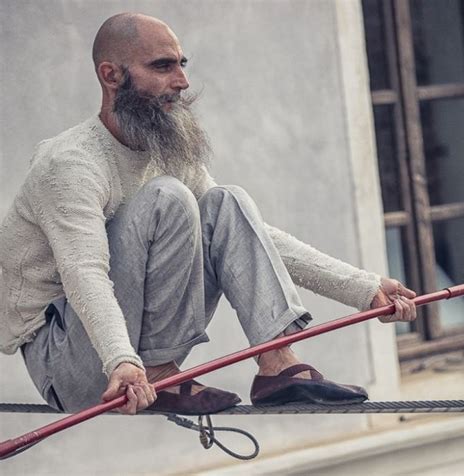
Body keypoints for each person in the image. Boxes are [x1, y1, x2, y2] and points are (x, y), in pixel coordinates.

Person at [0, 13, 416, 416]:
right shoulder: (70, 163)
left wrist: (363, 288)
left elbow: (250, 236)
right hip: (74, 364)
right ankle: (160, 369)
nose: (181, 82)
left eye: (180, 65)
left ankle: (277, 362)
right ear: (111, 76)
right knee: (168, 197)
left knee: (225, 202)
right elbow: (84, 273)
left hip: (134, 354)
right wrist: (120, 360)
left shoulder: (163, 148)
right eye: (162, 67)